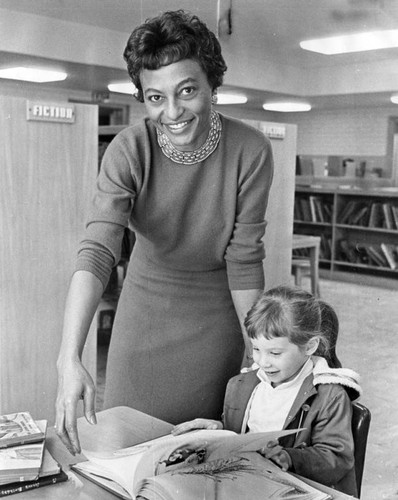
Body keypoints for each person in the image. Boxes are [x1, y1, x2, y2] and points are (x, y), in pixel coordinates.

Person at [55, 9, 274, 456]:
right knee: (125, 455)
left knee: (199, 456)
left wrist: (258, 350)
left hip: (216, 323)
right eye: (155, 98)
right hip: (143, 319)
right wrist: (69, 355)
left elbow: (245, 258)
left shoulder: (251, 151)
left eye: (187, 91)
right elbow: (98, 249)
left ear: (213, 84)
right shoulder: (129, 149)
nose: (172, 112)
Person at [172, 285, 362, 497]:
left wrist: (289, 457)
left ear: (309, 347)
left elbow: (336, 458)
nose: (263, 362)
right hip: (246, 483)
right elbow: (243, 436)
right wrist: (217, 430)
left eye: (275, 352)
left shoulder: (330, 395)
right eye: (256, 349)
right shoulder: (242, 385)